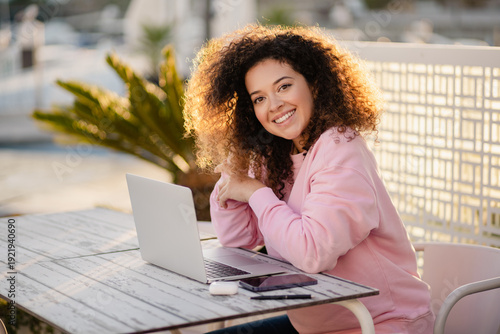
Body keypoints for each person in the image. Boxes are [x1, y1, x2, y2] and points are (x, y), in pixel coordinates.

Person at [183, 24, 434, 334]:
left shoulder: (341, 148)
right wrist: (235, 174)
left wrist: (256, 192)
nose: (273, 105)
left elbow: (312, 253)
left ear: (314, 84)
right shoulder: (277, 154)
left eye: (284, 86)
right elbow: (239, 243)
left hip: (380, 322)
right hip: (315, 322)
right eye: (258, 99)